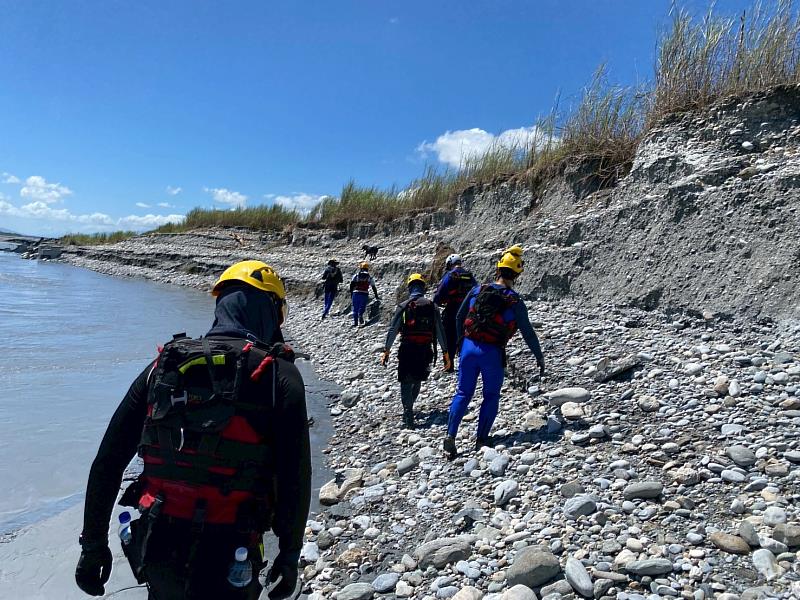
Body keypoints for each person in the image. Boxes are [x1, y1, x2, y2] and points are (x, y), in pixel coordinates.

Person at [75, 260, 311, 600]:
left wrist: (93, 544)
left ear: (221, 305)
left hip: (157, 548)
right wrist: (289, 555)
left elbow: (108, 462)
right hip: (232, 558)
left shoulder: (165, 366)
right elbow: (295, 478)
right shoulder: (279, 376)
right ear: (272, 312)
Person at [443, 246, 545, 459]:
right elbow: (527, 332)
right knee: (490, 396)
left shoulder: (478, 290)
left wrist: (460, 343)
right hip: (492, 353)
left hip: (468, 349)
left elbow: (459, 317)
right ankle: (481, 438)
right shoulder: (514, 301)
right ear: (516, 274)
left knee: (462, 393)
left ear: (498, 269)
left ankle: (450, 436)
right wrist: (539, 356)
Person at [381, 274, 451, 429]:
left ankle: (408, 412)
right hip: (425, 349)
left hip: (407, 348)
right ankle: (410, 407)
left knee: (405, 381)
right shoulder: (432, 307)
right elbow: (440, 330)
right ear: (423, 288)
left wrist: (386, 350)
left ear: (410, 287)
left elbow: (393, 329)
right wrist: (446, 353)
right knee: (417, 379)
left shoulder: (404, 305)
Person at [433, 253, 477, 371]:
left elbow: (439, 294)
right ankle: (468, 364)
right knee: (467, 337)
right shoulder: (469, 276)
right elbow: (477, 290)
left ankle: (449, 365)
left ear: (449, 264)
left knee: (449, 338)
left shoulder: (449, 275)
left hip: (452, 310)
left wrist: (436, 304)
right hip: (468, 311)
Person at [349, 262, 379, 327]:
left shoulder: (356, 275)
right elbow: (373, 287)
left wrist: (351, 293)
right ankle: (360, 315)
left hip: (356, 293)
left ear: (360, 268)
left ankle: (355, 323)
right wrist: (376, 296)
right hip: (364, 293)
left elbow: (351, 285)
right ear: (367, 269)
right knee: (362, 307)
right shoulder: (369, 277)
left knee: (355, 308)